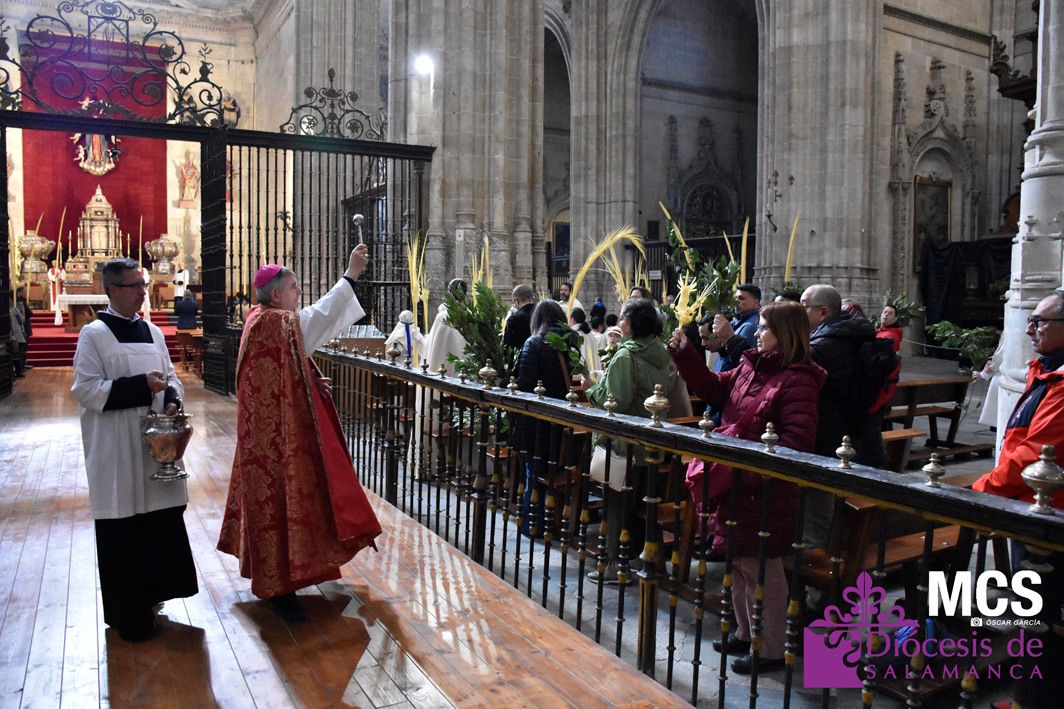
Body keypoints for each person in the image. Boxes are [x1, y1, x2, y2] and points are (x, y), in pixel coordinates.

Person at [217, 245, 382, 621]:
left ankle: (286, 578)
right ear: (276, 295)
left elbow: (285, 360)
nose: (300, 292)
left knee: (286, 504)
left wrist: (307, 377)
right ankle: (277, 586)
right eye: (294, 288)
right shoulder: (272, 322)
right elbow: (317, 320)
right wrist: (350, 275)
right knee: (279, 503)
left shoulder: (260, 318)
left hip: (269, 433)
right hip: (273, 439)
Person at [668, 301, 825, 675]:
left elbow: (797, 443)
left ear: (785, 334)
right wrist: (687, 353)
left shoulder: (798, 380)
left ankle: (770, 648)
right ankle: (744, 631)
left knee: (762, 570)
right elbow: (714, 388)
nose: (756, 332)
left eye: (764, 327)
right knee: (739, 563)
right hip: (737, 483)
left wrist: (748, 470)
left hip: (764, 489)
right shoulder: (750, 366)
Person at [71, 257, 196, 642]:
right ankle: (129, 614)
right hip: (117, 447)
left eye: (143, 284)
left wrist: (172, 399)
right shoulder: (94, 334)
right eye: (135, 286)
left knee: (158, 520)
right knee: (123, 525)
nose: (144, 291)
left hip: (154, 444)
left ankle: (154, 595)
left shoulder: (153, 331)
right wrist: (141, 386)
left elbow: (172, 377)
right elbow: (86, 389)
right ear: (113, 290)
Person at [973, 289, 1064, 709]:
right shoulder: (1045, 371)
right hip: (1029, 505)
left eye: (1040, 321)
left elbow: (1035, 455)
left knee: (1042, 613)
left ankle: (1035, 699)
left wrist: (981, 491)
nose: (1029, 329)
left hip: (1045, 513)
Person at [583, 297, 676, 580]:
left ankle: (615, 565)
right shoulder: (661, 351)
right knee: (641, 505)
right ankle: (638, 559)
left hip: (625, 445)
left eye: (623, 317)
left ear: (634, 323)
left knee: (618, 507)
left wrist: (591, 388)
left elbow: (615, 401)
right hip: (651, 442)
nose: (619, 321)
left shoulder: (626, 356)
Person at [800, 283, 884, 550]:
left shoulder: (822, 347)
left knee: (817, 510)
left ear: (823, 312)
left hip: (827, 436)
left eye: (804, 306)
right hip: (856, 431)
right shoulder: (856, 335)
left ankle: (815, 564)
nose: (799, 312)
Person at [513, 299, 581, 536]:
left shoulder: (534, 342)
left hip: (537, 420)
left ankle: (534, 523)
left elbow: (525, 384)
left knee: (534, 470)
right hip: (562, 416)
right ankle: (555, 519)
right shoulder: (572, 342)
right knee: (554, 469)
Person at [503, 284, 535, 351]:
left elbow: (508, 348)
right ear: (533, 299)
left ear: (517, 300)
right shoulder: (544, 314)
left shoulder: (514, 319)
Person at [9, 296, 26, 378]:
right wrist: (22, 311)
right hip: (17, 335)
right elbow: (22, 320)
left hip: (9, 334)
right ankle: (19, 371)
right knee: (17, 354)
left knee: (10, 355)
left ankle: (11, 373)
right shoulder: (14, 310)